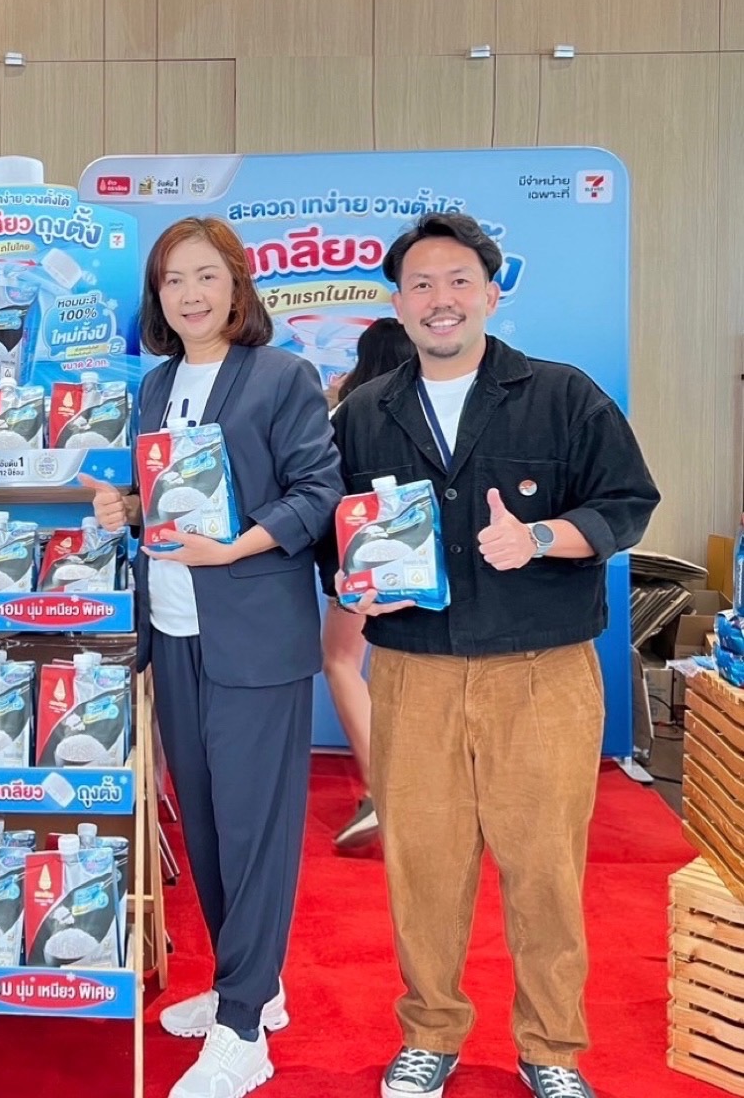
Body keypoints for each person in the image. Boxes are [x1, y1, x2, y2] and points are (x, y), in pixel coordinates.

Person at [330, 213, 659, 1098]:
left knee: (543, 868)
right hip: (413, 671)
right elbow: (333, 534)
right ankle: (429, 1033)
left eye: (458, 282)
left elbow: (626, 502)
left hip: (539, 671)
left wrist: (542, 535)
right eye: (421, 285)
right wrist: (355, 585)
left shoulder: (561, 394)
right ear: (398, 303)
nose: (440, 300)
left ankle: (550, 1048)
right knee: (422, 866)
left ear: (489, 293)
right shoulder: (363, 412)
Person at [82, 216, 342, 1098]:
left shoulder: (280, 377)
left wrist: (232, 549)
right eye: (172, 281)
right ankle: (251, 985)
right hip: (174, 630)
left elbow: (318, 492)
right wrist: (123, 509)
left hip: (254, 636)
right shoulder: (155, 386)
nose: (189, 295)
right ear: (156, 298)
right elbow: (159, 498)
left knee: (253, 829)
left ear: (236, 284)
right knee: (203, 823)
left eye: (204, 276)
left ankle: (242, 1029)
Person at [322, 318, 414, 851]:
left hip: (361, 559)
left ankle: (385, 790)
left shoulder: (350, 413)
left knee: (340, 660)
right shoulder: (423, 407)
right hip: (419, 558)